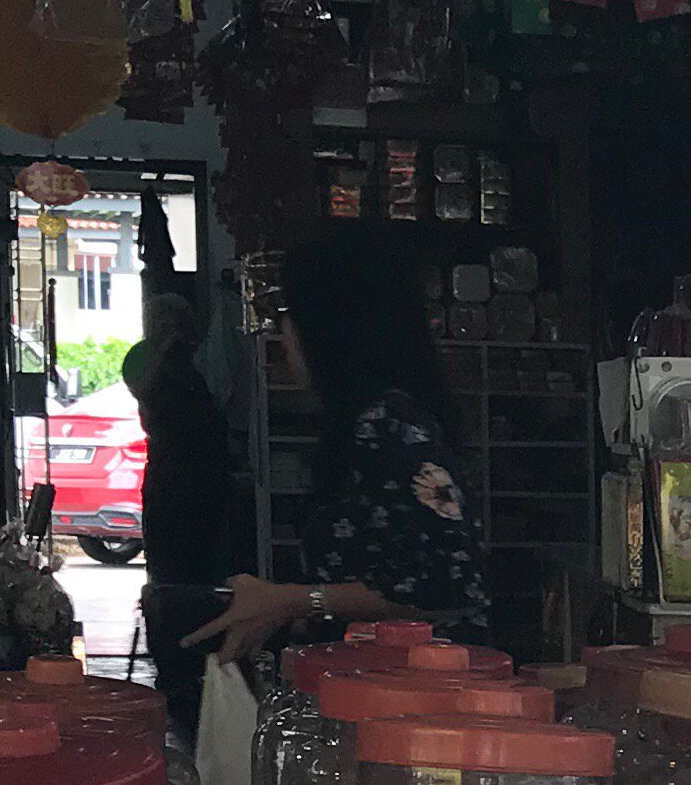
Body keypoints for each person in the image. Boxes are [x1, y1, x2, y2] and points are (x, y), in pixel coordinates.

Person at [185, 230, 490, 664]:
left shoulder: (388, 425)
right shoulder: (374, 421)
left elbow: (444, 585)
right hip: (376, 679)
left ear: (331, 327)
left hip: (414, 687)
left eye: (290, 314)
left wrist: (292, 601)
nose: (283, 333)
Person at [127, 286, 249, 738]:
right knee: (169, 580)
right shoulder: (148, 361)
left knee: (202, 577)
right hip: (174, 482)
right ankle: (176, 672)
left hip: (197, 484)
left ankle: (202, 668)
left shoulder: (199, 362)